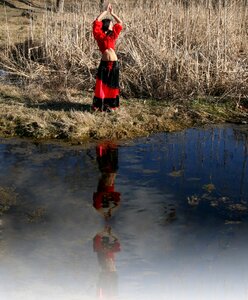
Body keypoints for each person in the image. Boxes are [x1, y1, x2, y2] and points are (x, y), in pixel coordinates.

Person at [92, 3, 123, 112]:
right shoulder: (99, 35)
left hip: (114, 63)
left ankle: (111, 106)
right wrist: (105, 11)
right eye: (110, 23)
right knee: (102, 85)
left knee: (112, 85)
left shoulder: (113, 35)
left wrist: (113, 13)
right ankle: (100, 106)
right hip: (105, 63)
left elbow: (120, 23)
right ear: (106, 25)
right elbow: (96, 21)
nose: (112, 24)